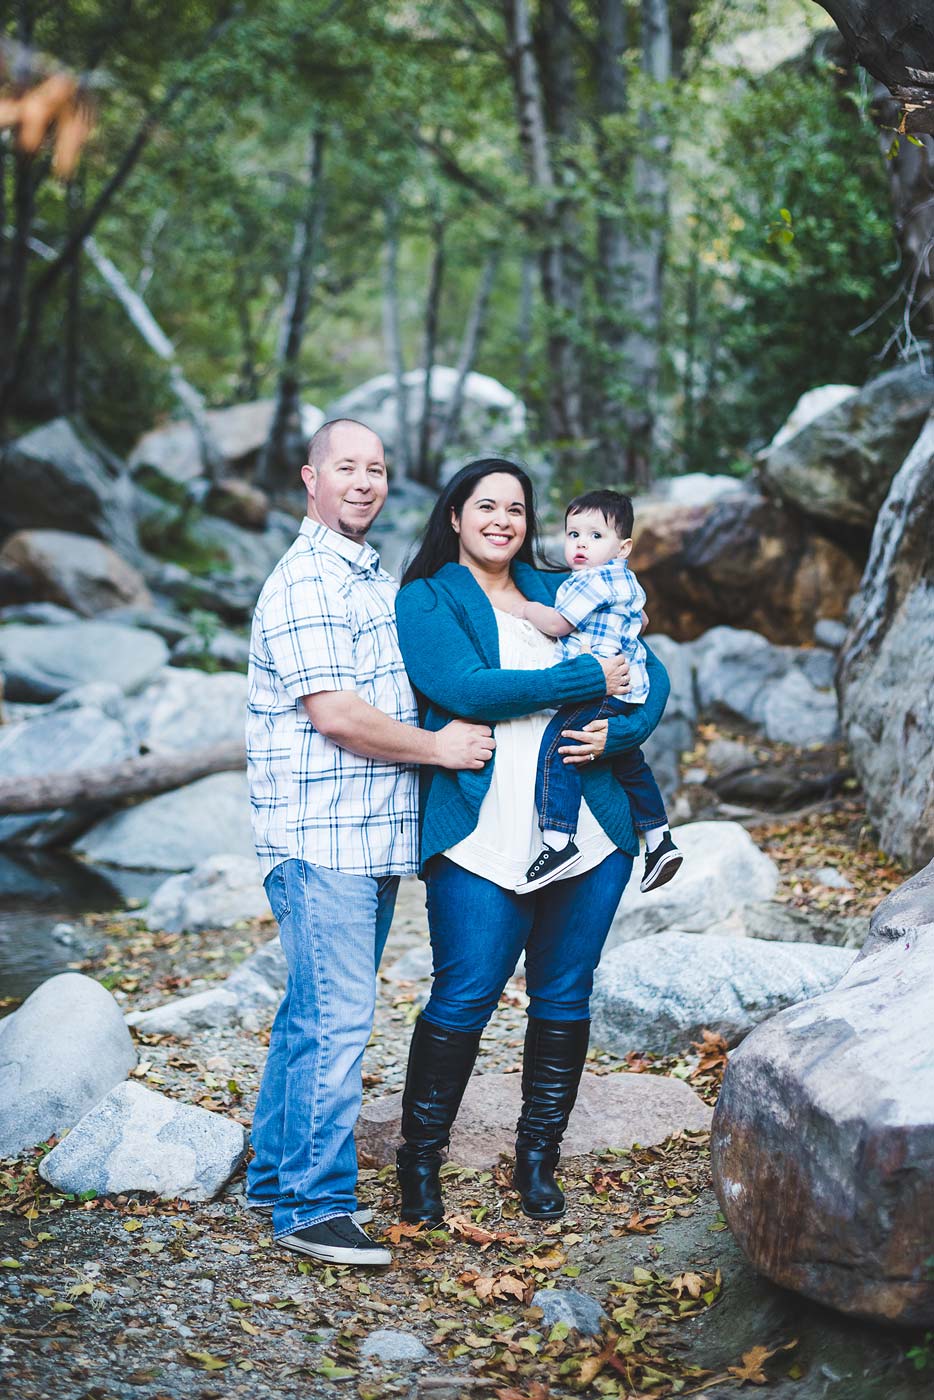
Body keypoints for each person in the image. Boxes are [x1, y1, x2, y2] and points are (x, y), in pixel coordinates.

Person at [393, 458, 671, 1226]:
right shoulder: (427, 598)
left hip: (588, 835)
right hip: (482, 831)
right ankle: (420, 1162)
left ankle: (537, 1157)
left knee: (562, 996)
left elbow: (653, 675)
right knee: (464, 994)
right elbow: (466, 689)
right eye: (486, 506)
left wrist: (618, 728)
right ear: (455, 515)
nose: (503, 520)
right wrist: (582, 676)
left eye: (516, 508)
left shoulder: (563, 587)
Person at [245, 418, 495, 1267]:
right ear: (308, 479)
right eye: (345, 467)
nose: (364, 481)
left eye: (377, 469)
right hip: (322, 842)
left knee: (309, 1017)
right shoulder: (309, 578)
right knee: (339, 1022)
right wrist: (441, 749)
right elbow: (338, 715)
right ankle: (316, 1209)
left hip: (363, 840)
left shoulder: (364, 574)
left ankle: (276, 1178)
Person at [510, 488, 682, 895]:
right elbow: (640, 619)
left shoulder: (586, 582)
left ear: (622, 547)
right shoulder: (625, 580)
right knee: (628, 763)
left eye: (595, 536)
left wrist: (528, 610)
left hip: (597, 690)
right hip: (628, 691)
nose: (581, 545)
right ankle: (660, 840)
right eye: (573, 535)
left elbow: (558, 624)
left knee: (560, 749)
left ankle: (557, 841)